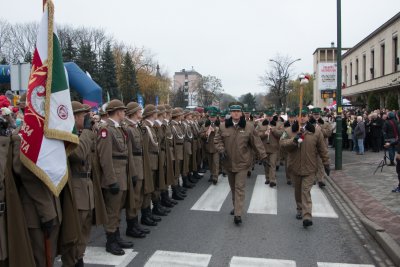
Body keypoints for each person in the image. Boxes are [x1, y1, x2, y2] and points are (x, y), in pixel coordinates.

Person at [215, 103, 267, 225]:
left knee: (239, 188)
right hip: (228, 163)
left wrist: (263, 156)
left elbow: (257, 142)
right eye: (233, 111)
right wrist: (221, 150)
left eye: (238, 111)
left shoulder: (248, 127)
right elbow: (217, 140)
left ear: (241, 113)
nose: (236, 113)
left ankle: (238, 214)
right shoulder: (223, 127)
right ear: (230, 113)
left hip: (243, 163)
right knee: (233, 187)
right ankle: (236, 206)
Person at [280, 109, 330, 228]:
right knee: (298, 191)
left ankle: (307, 215)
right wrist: (294, 140)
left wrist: (326, 162)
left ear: (308, 117)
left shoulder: (316, 132)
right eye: (300, 116)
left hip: (310, 167)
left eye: (304, 116)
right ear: (297, 117)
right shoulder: (289, 131)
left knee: (305, 191)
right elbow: (282, 144)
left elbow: (322, 148)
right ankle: (299, 208)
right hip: (295, 167)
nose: (302, 118)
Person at [97, 99, 133, 255]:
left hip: (122, 174)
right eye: (123, 111)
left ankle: (116, 236)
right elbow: (105, 158)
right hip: (114, 177)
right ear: (118, 112)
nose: (125, 113)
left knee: (118, 209)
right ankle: (110, 241)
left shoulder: (118, 128)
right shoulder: (106, 130)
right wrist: (111, 180)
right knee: (112, 210)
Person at [201, 112, 220, 185]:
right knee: (210, 162)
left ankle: (215, 177)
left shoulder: (219, 125)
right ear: (209, 118)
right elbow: (200, 134)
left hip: (216, 146)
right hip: (208, 146)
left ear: (216, 118)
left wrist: (215, 130)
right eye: (211, 117)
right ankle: (212, 174)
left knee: (215, 162)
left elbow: (223, 134)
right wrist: (206, 133)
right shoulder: (204, 126)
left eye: (214, 117)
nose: (212, 118)